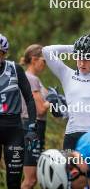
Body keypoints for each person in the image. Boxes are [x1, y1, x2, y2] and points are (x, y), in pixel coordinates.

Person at [0, 34, 37, 189]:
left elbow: (29, 98)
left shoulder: (15, 69)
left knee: (14, 181)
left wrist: (31, 128)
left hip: (14, 129)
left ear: (4, 53)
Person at [20, 44, 50, 189]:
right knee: (30, 180)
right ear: (34, 60)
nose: (45, 64)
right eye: (44, 60)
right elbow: (40, 110)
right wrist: (53, 101)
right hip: (32, 129)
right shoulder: (31, 79)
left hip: (33, 129)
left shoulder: (32, 78)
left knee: (34, 179)